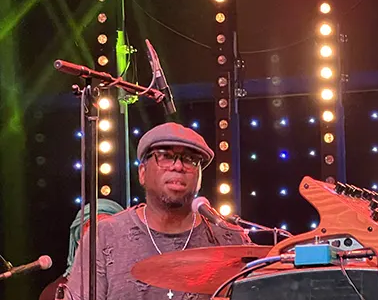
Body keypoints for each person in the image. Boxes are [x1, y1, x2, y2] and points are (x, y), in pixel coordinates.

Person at [65, 123, 251, 300]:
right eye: (165, 156)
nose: (178, 166)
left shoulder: (230, 238)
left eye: (190, 159)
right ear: (142, 173)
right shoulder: (103, 236)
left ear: (200, 178)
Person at [39, 199, 124, 300]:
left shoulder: (135, 286)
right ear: (79, 239)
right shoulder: (54, 293)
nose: (100, 239)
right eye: (92, 230)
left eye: (108, 230)